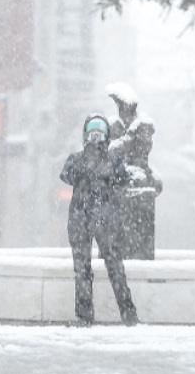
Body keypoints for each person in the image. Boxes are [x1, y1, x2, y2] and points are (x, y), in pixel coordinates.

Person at [60, 114, 139, 326]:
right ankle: (88, 316)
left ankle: (127, 314)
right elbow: (67, 175)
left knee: (113, 267)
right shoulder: (77, 159)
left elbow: (122, 180)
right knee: (85, 269)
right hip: (84, 221)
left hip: (102, 221)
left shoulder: (112, 161)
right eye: (92, 134)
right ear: (86, 136)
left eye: (99, 134)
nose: (96, 139)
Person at [106, 83, 162, 260]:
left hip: (138, 172)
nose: (122, 109)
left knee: (146, 183)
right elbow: (111, 150)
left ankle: (138, 252)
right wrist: (129, 137)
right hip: (119, 173)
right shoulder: (114, 124)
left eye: (124, 105)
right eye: (120, 105)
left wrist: (133, 136)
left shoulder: (143, 124)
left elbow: (144, 149)